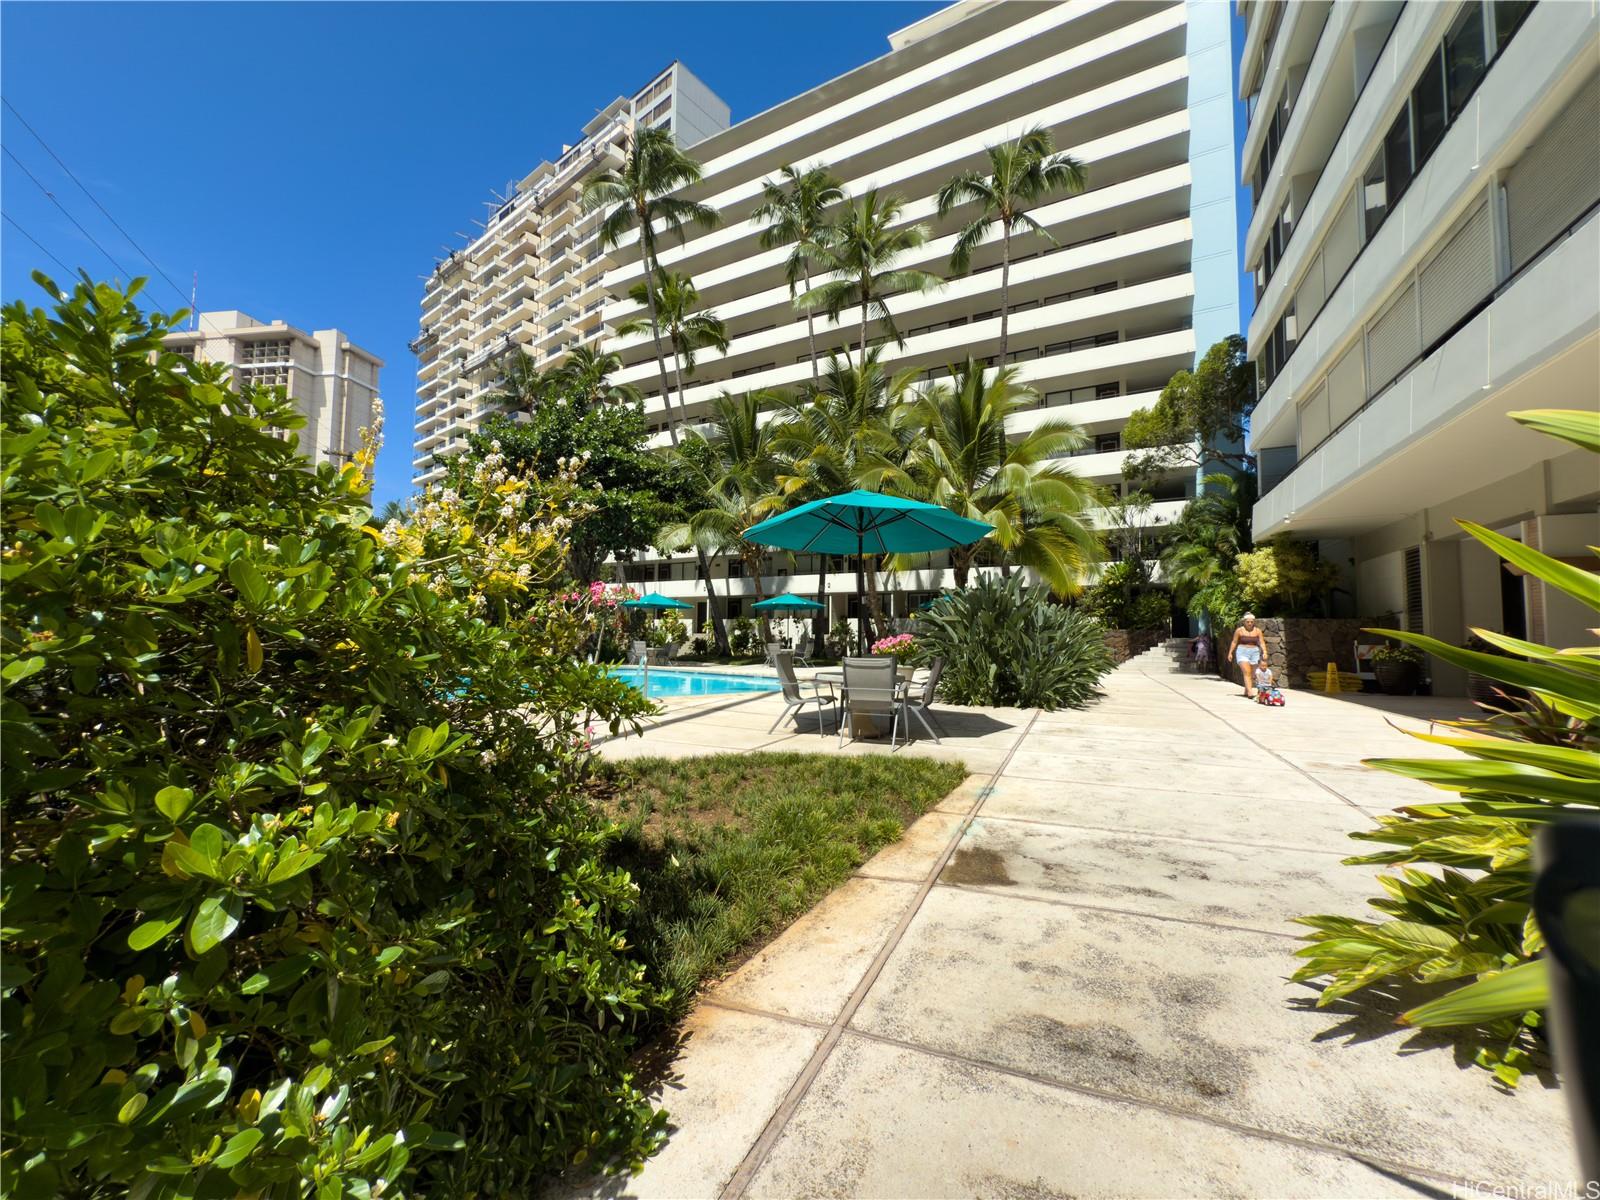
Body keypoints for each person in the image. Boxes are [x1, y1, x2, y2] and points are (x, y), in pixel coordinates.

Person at [1227, 613, 1265, 699]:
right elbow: (1234, 642)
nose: (1250, 623)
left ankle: (1246, 690)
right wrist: (1230, 653)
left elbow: (1262, 642)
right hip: (1242, 652)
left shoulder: (1257, 631)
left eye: (1251, 622)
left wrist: (1265, 651)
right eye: (1248, 622)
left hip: (1254, 652)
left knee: (1252, 674)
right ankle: (1250, 692)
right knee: (1246, 671)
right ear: (1244, 622)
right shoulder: (1239, 630)